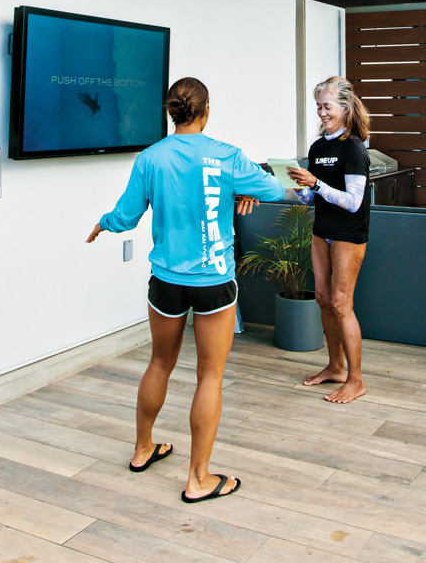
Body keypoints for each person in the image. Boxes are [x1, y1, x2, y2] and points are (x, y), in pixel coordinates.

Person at [87, 77, 285, 502]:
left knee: (159, 363)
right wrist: (238, 193)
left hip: (166, 282)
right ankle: (198, 479)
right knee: (209, 375)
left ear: (172, 112)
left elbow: (125, 216)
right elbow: (272, 188)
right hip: (214, 281)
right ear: (207, 110)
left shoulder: (150, 158)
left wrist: (103, 223)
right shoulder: (226, 156)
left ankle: (143, 450)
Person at [288, 76, 371, 404]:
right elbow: (314, 198)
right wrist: (303, 190)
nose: (322, 112)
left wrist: (316, 184)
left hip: (349, 235)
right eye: (319, 107)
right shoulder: (318, 147)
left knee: (340, 303)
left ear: (345, 107)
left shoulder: (354, 148)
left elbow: (353, 202)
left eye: (327, 107)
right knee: (323, 298)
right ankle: (335, 368)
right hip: (321, 231)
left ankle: (356, 380)